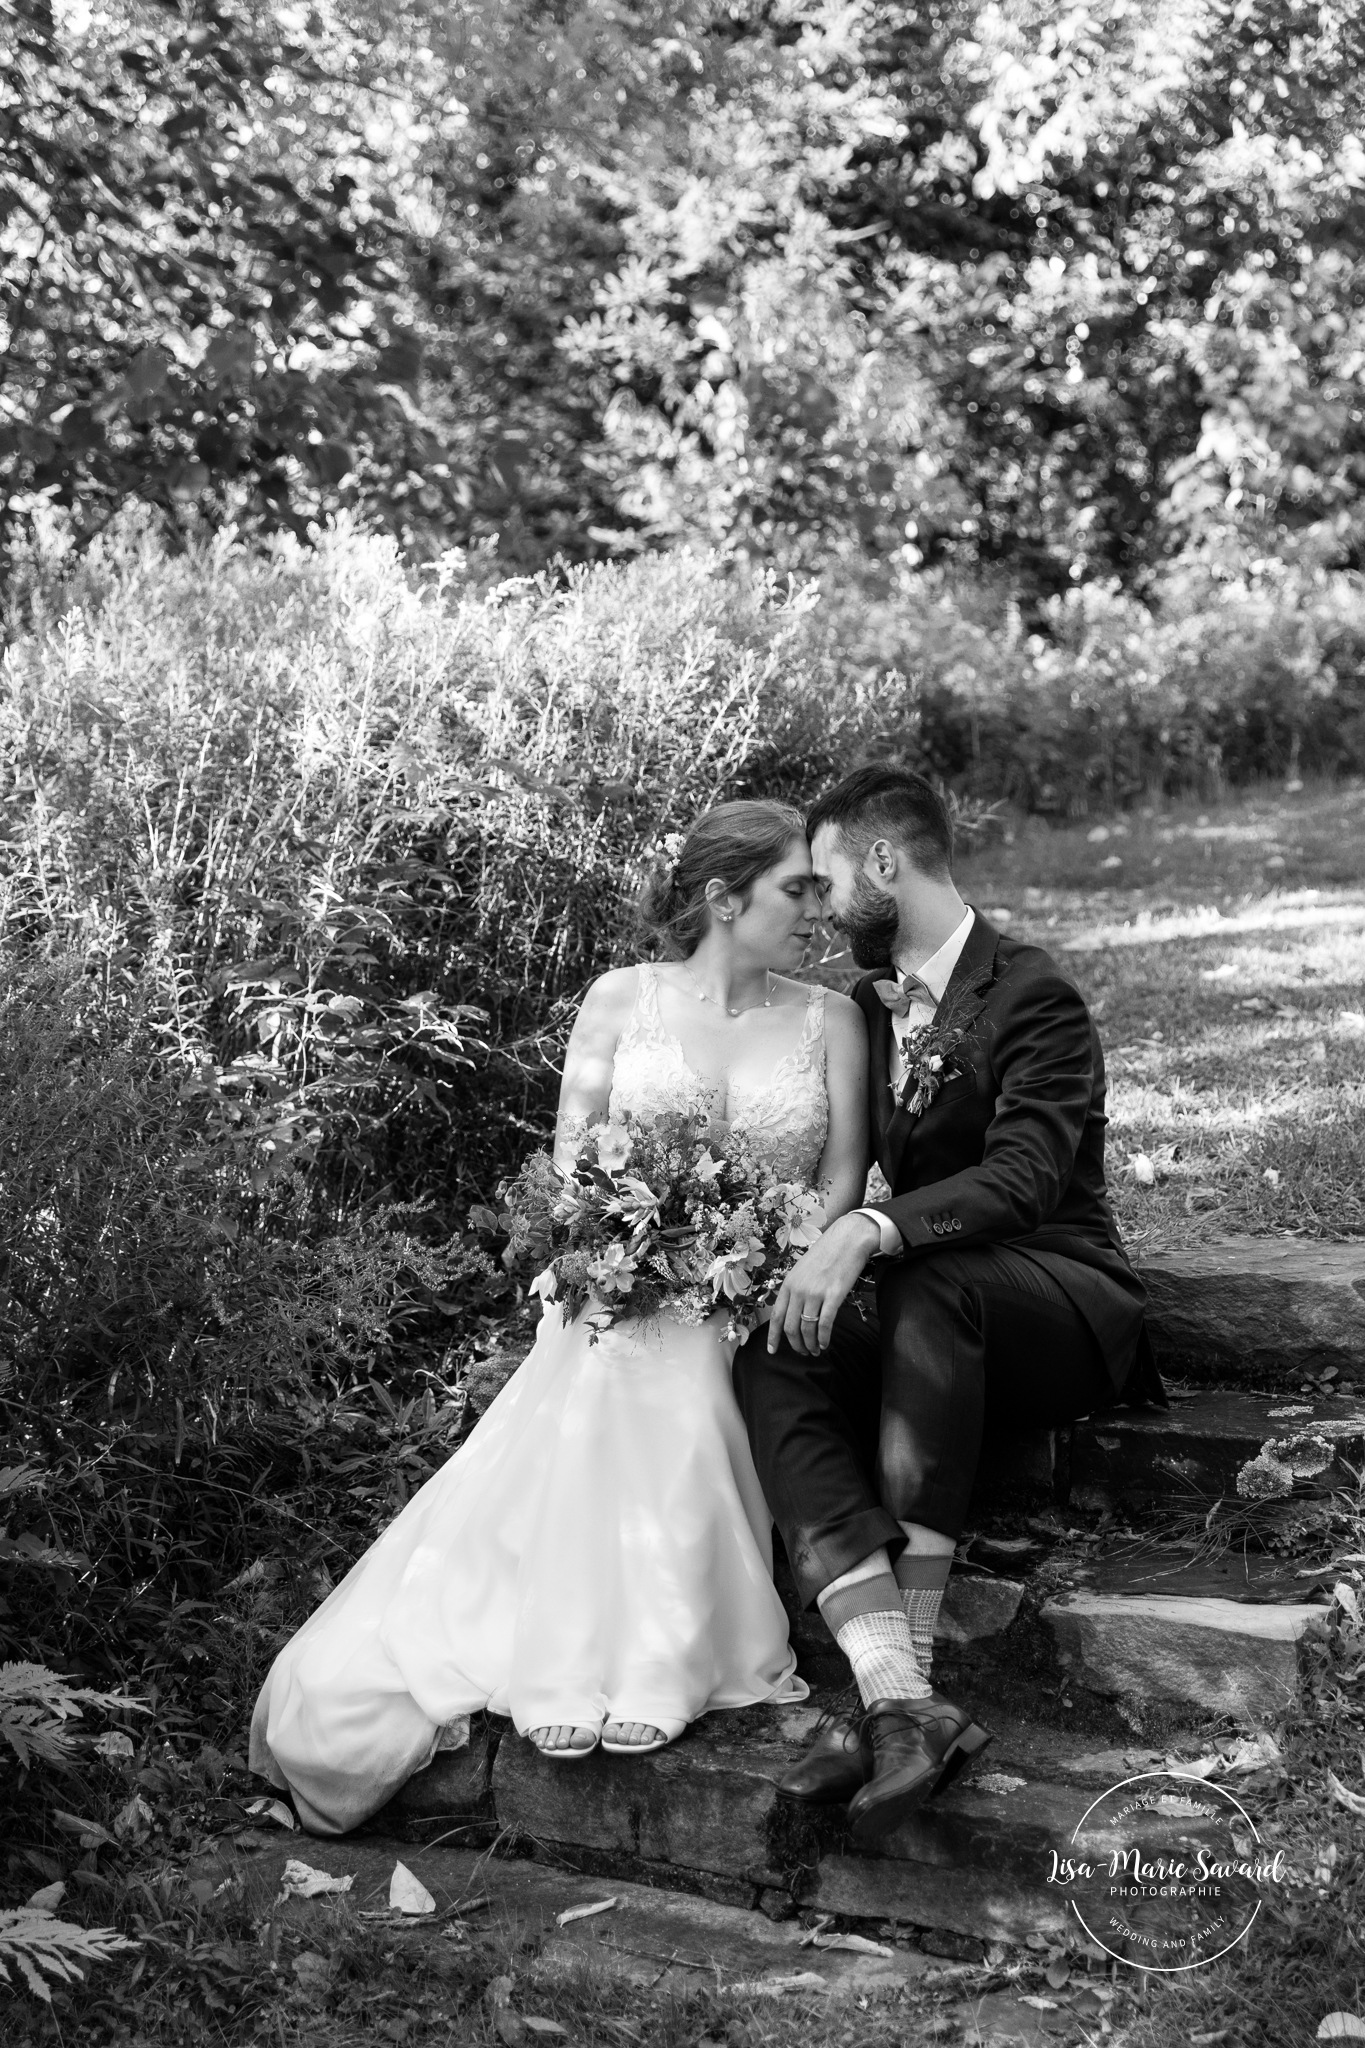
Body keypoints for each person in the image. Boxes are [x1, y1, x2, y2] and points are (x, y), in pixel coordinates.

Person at [249, 800, 871, 1833]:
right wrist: (616, 1255)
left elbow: (843, 1177)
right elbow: (574, 1162)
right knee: (631, 1349)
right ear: (725, 897)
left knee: (692, 1358)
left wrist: (773, 1260)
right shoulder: (621, 999)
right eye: (798, 888)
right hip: (622, 1283)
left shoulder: (830, 1017)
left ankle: (667, 1656)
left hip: (764, 1289)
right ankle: (581, 1652)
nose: (820, 908)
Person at [733, 766, 1165, 1847]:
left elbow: (1024, 1178)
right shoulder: (876, 1013)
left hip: (1063, 1298)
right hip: (946, 1314)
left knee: (921, 1273)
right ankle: (898, 1693)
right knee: (780, 1340)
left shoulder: (1033, 993)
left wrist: (872, 1228)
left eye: (828, 882)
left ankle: (898, 1681)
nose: (824, 911)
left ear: (885, 863)